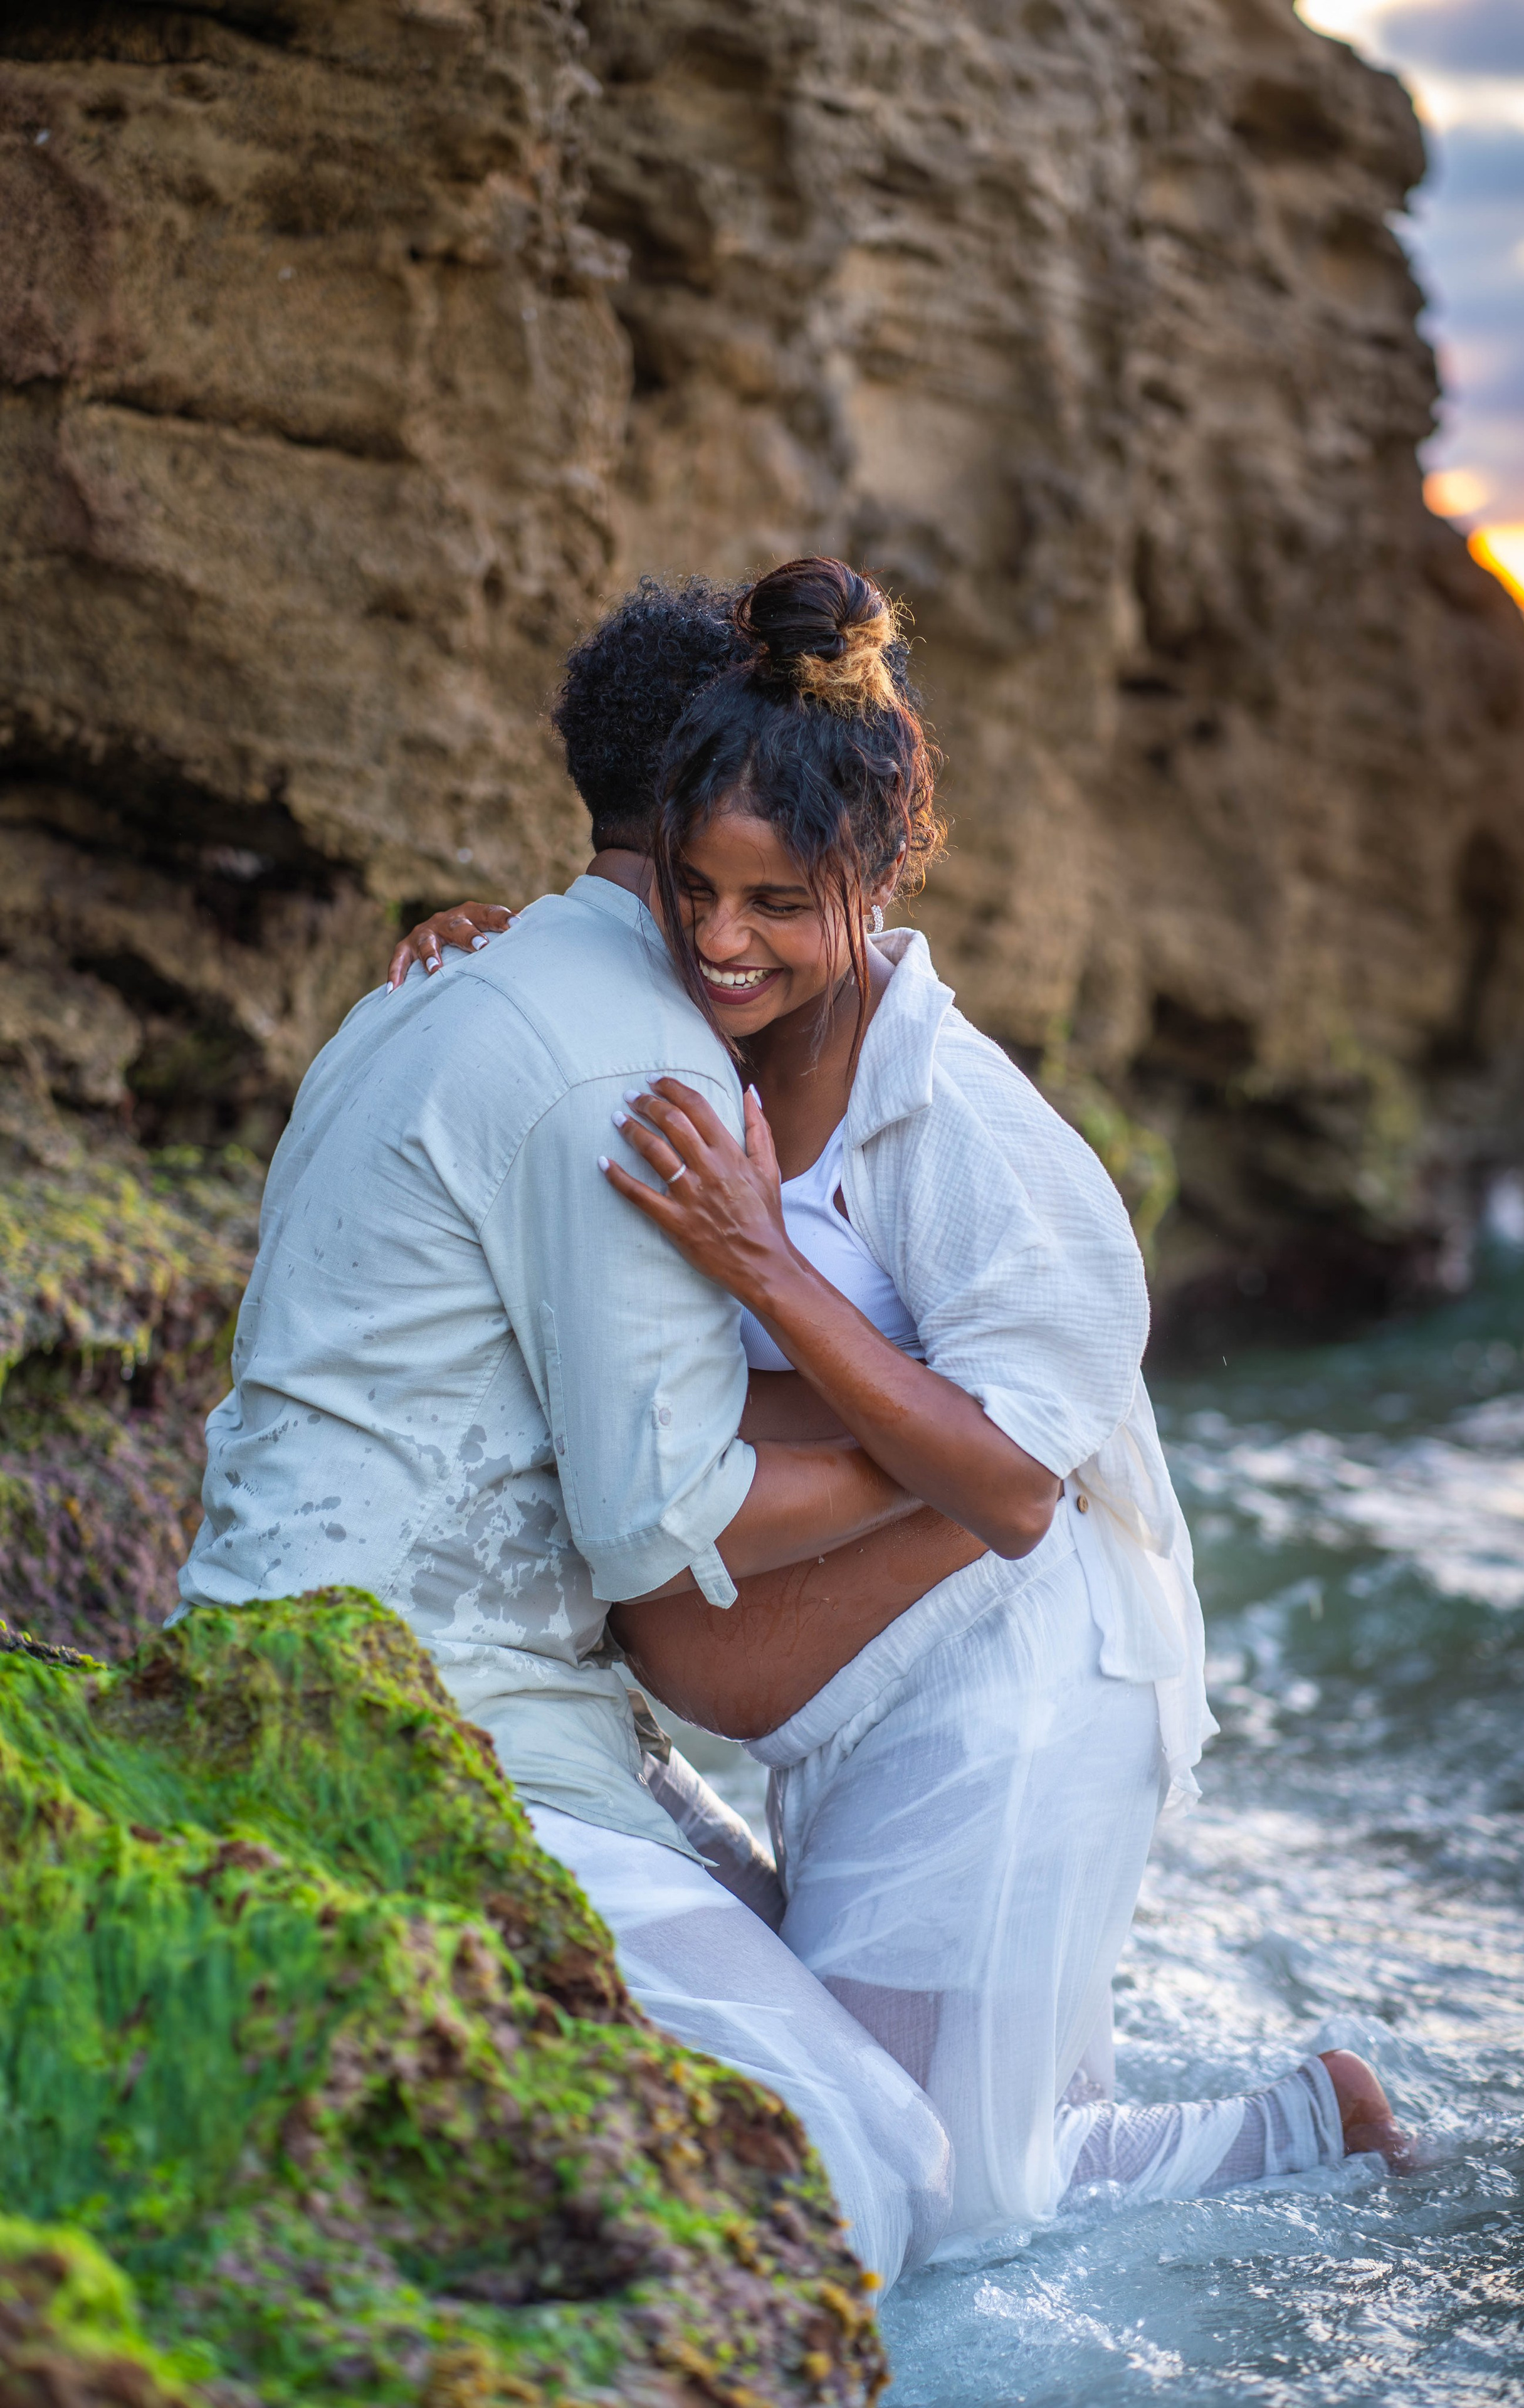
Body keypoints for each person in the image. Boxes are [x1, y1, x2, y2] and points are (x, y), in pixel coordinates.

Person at [395, 556, 1410, 2244]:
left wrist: (768, 1267)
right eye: (694, 897)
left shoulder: (972, 1143)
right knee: (908, 2117)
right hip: (848, 1691)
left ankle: (1318, 2128)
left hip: (1016, 1689)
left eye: (778, 906)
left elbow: (1020, 1481)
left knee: (949, 2209)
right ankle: (1173, 2103)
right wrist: (492, 944)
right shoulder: (696, 1015)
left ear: (872, 878)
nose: (724, 942)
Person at [176, 574, 957, 2291]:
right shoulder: (624, 1059)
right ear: (710, 796)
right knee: (877, 2154)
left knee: (895, 2064)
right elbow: (656, 1518)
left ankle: (1292, 2135)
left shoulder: (438, 990)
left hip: (387, 1669)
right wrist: (957, 1468)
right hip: (430, 1721)